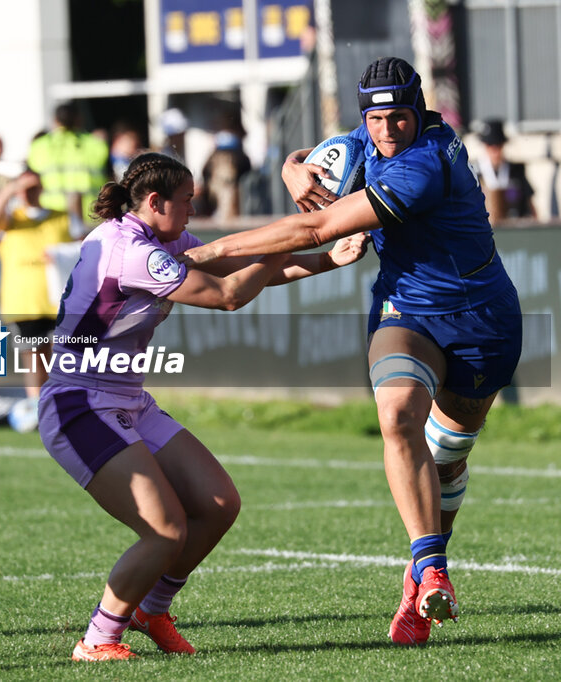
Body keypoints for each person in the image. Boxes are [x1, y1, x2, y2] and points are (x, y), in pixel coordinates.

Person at [183, 57, 523, 645]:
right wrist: (294, 174)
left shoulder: (426, 164)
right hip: (405, 311)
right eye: (374, 119)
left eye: (397, 118)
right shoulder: (364, 139)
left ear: (418, 112)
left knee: (447, 460)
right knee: (397, 418)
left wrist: (205, 254)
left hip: (483, 322)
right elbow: (306, 161)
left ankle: (414, 584)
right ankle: (431, 565)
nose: (385, 132)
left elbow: (317, 232)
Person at [39, 152, 368, 661]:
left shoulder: (151, 237)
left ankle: (152, 609)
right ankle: (98, 640)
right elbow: (229, 294)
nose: (193, 212)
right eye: (187, 202)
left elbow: (241, 266)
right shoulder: (136, 253)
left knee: (218, 503)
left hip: (125, 399)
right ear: (155, 202)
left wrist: (326, 258)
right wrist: (295, 240)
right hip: (79, 404)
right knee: (165, 530)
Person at [0, 169, 71, 431]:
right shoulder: (11, 221)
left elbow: (81, 248)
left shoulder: (60, 218)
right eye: (23, 187)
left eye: (32, 187)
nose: (28, 192)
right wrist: (10, 189)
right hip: (24, 303)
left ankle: (61, 407)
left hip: (58, 301)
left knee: (62, 357)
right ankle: (38, 410)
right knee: (33, 356)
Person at [27, 102, 110, 234]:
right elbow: (109, 177)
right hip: (90, 217)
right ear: (79, 119)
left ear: (55, 120)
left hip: (53, 216)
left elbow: (30, 180)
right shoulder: (96, 144)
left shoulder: (39, 146)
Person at [472, 119, 536, 224]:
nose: (494, 151)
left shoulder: (516, 170)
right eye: (490, 146)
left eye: (498, 146)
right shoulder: (473, 172)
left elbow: (530, 202)